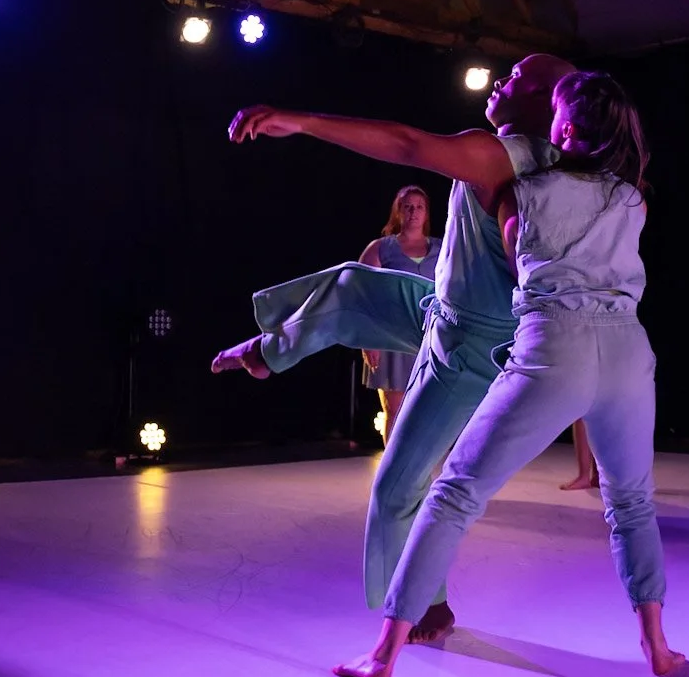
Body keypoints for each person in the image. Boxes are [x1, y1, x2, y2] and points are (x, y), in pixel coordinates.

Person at [331, 71, 686, 677]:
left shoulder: (521, 193)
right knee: (631, 503)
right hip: (630, 352)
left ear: (563, 127)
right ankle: (658, 648)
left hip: (556, 347)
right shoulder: (635, 199)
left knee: (453, 495)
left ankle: (383, 656)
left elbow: (515, 262)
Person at [215, 53, 576, 643]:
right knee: (352, 284)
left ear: (541, 100)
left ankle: (427, 605)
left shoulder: (499, 154)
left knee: (396, 487)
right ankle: (268, 352)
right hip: (443, 310)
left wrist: (302, 121)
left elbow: (407, 144)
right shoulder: (553, 164)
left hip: (470, 347)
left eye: (516, 77)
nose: (501, 79)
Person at [358, 186, 440, 443]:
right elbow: (362, 294)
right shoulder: (381, 248)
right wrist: (368, 339)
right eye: (408, 207)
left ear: (426, 214)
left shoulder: (442, 248)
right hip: (391, 336)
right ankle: (392, 465)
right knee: (394, 409)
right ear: (398, 212)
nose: (414, 212)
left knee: (428, 409)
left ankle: (421, 464)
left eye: (419, 207)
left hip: (430, 336)